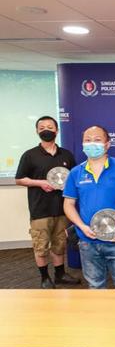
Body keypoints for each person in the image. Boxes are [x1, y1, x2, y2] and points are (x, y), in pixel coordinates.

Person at [63, 125, 115, 289]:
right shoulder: (75, 172)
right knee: (95, 286)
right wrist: (82, 226)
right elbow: (68, 204)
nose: (92, 144)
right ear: (82, 145)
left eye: (97, 140)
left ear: (107, 144)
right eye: (87, 140)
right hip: (87, 241)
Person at [15, 116, 79, 289]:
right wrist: (40, 183)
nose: (46, 130)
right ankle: (44, 277)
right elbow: (19, 179)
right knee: (41, 246)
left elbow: (74, 178)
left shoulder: (66, 154)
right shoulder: (29, 155)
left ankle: (60, 274)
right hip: (40, 209)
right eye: (42, 127)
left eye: (50, 127)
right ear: (37, 131)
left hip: (62, 208)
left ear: (57, 130)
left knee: (59, 244)